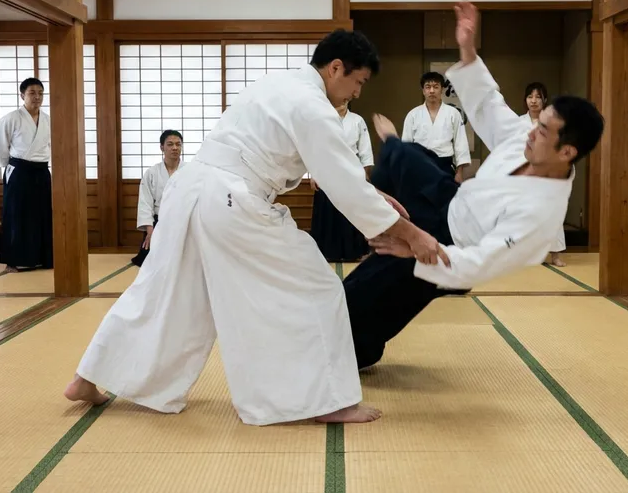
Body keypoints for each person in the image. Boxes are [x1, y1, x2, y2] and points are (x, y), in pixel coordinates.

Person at [64, 29, 448, 425]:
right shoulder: (312, 106)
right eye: (358, 82)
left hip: (190, 192)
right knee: (317, 286)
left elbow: (339, 176)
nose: (357, 93)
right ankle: (327, 400)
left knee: (162, 294)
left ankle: (87, 377)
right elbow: (342, 181)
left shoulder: (277, 83)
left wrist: (372, 199)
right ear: (336, 68)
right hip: (232, 201)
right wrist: (412, 233)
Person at [344, 1, 604, 369]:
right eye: (536, 121)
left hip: (450, 248)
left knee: (363, 300)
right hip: (450, 201)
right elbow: (489, 106)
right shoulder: (526, 137)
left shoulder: (540, 217)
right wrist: (468, 51)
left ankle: (358, 347)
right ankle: (392, 151)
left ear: (567, 152)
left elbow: (482, 263)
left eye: (543, 130)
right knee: (402, 156)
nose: (531, 132)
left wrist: (416, 251)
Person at [0, 78, 52, 273]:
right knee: (16, 214)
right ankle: (14, 260)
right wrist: (9, 167)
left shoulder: (47, 120)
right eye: (32, 93)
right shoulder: (11, 118)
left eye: (40, 93)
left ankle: (41, 258)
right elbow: (1, 146)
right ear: (22, 95)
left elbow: (52, 146)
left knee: (42, 214)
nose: (37, 97)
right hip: (19, 170)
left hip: (41, 170)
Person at [309, 100, 374, 261]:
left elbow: (365, 149)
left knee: (351, 212)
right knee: (328, 213)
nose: (342, 103)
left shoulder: (357, 120)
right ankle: (327, 251)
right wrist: (313, 174)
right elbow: (315, 148)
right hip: (327, 170)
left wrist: (365, 174)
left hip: (352, 170)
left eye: (345, 100)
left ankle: (354, 251)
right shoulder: (322, 119)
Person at [519, 82, 568, 267]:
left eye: (537, 97)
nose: (533, 101)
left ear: (544, 100)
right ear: (525, 100)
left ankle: (555, 254)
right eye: (530, 97)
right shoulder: (518, 122)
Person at [402, 71, 471, 183]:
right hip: (420, 167)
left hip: (445, 166)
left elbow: (460, 143)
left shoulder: (453, 113)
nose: (432, 91)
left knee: (445, 199)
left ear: (442, 89)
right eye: (428, 87)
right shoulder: (413, 115)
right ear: (423, 91)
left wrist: (459, 173)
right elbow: (406, 146)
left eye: (436, 87)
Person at [132, 130, 184, 267]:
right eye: (170, 144)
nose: (175, 148)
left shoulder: (190, 171)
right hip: (159, 221)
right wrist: (150, 229)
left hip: (183, 220)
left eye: (178, 144)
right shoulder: (152, 173)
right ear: (162, 147)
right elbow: (145, 202)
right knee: (149, 260)